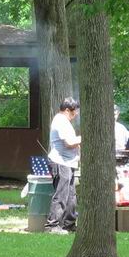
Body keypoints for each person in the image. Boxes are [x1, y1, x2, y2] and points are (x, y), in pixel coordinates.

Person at [45, 96, 81, 232]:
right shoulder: (60, 121)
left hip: (68, 163)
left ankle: (69, 224)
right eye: (74, 111)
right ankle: (52, 226)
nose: (75, 114)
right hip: (60, 162)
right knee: (61, 195)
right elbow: (69, 143)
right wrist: (83, 138)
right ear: (67, 110)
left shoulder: (65, 121)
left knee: (71, 196)